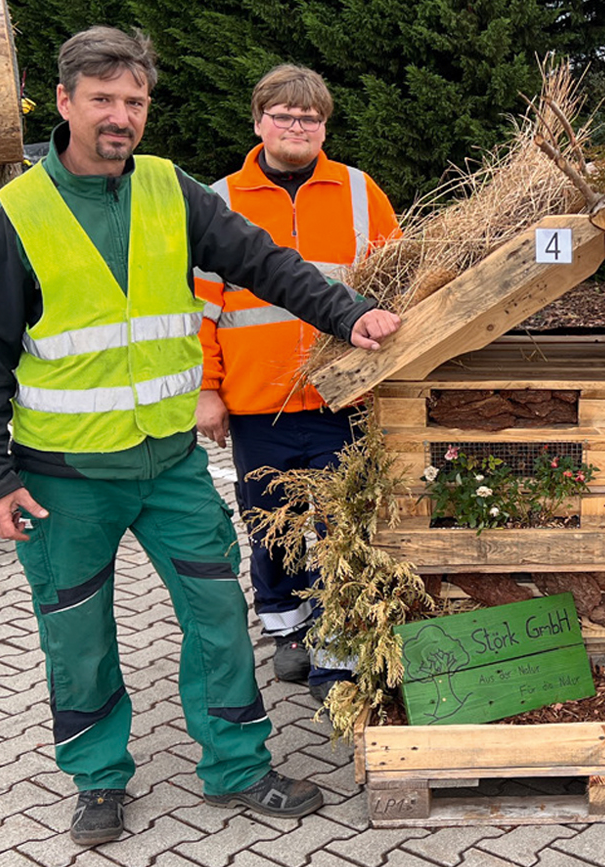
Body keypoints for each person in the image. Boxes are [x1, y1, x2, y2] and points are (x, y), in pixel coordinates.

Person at [0, 27, 401, 845]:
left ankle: (236, 764)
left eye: (134, 101)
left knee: (218, 609)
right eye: (103, 100)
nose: (120, 116)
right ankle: (97, 778)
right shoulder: (18, 214)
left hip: (171, 467)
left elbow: (268, 262)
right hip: (63, 477)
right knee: (76, 630)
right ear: (64, 102)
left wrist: (349, 311)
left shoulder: (171, 189)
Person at [193, 65, 400, 704]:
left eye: (309, 118)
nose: (297, 127)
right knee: (271, 524)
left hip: (346, 397)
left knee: (347, 525)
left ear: (324, 126)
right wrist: (207, 388)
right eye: (283, 115)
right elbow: (197, 306)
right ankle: (287, 630)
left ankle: (340, 643)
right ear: (258, 122)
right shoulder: (218, 200)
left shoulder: (362, 193)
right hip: (260, 401)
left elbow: (396, 288)